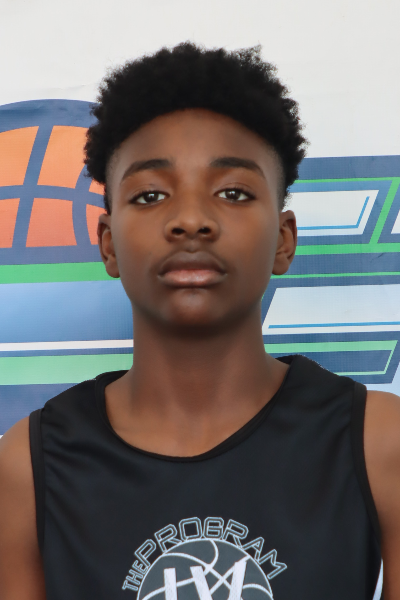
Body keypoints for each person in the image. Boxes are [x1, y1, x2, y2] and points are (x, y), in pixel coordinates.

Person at [0, 42, 399, 600]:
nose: (190, 220)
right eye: (150, 195)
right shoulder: (30, 463)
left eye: (233, 192)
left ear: (284, 240)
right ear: (108, 243)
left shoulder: (378, 440)